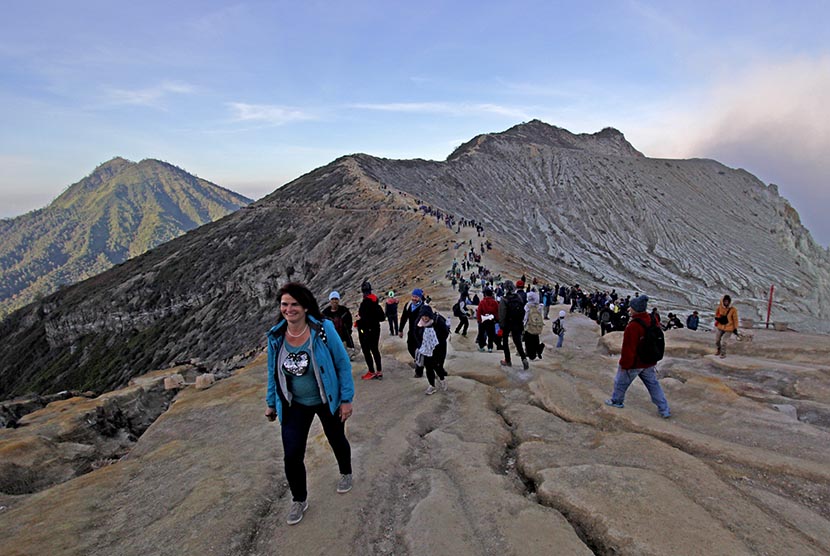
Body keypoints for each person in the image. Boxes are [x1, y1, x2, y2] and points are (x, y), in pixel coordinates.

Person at [265, 282, 354, 525]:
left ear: (305, 306)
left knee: (336, 438)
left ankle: (346, 472)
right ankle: (299, 499)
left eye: (294, 304)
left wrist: (346, 399)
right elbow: (273, 373)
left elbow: (342, 363)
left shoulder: (322, 328)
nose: (289, 309)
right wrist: (271, 402)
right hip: (294, 404)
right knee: (292, 454)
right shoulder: (276, 336)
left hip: (327, 400)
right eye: (285, 304)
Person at [604, 295, 671, 418]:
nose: (629, 309)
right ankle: (664, 409)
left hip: (635, 363)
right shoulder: (652, 319)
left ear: (636, 309)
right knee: (653, 386)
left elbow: (629, 348)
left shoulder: (633, 326)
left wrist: (625, 365)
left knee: (620, 382)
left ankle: (617, 401)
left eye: (632, 307)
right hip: (649, 361)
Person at [414, 305, 449, 394]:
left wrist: (436, 344)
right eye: (423, 316)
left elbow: (445, 333)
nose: (425, 318)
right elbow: (416, 333)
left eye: (427, 316)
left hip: (438, 348)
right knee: (428, 367)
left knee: (437, 366)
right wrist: (420, 345)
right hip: (425, 349)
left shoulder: (437, 321)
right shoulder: (419, 322)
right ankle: (432, 386)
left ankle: (442, 379)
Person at [356, 281, 386, 380]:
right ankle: (379, 371)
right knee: (375, 350)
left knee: (366, 350)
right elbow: (382, 317)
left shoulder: (364, 304)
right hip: (376, 329)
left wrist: (358, 323)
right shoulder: (376, 303)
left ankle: (371, 371)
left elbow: (363, 319)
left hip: (365, 331)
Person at [498, 280, 529, 370]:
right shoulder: (518, 297)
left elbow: (502, 314)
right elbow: (522, 310)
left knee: (505, 342)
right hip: (517, 323)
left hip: (508, 323)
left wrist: (501, 325)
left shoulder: (504, 299)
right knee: (517, 341)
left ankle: (508, 360)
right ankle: (524, 359)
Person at [399, 288, 427, 378]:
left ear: (420, 297)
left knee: (419, 351)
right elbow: (404, 318)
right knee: (410, 347)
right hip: (411, 332)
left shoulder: (424, 307)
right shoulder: (409, 305)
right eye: (413, 296)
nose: (414, 299)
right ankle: (419, 361)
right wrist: (400, 329)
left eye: (416, 297)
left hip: (421, 333)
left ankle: (419, 372)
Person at [322, 291, 355, 358]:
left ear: (339, 300)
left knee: (348, 358)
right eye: (332, 299)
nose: (334, 301)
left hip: (344, 340)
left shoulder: (344, 311)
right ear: (330, 300)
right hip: (331, 340)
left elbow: (349, 322)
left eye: (336, 299)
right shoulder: (325, 313)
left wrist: (348, 331)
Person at [476, 287, 499, 352]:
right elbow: (497, 312)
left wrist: (479, 320)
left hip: (483, 320)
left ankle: (481, 347)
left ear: (485, 294)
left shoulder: (482, 302)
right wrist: (496, 319)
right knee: (491, 334)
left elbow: (479, 312)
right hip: (491, 321)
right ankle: (490, 347)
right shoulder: (495, 302)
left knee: (481, 334)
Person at [523, 291, 545, 360]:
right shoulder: (539, 306)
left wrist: (523, 325)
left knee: (528, 341)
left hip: (529, 326)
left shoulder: (527, 306)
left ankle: (531, 355)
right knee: (535, 339)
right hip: (536, 325)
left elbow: (525, 317)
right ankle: (538, 349)